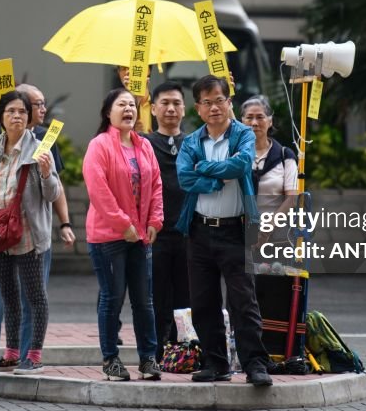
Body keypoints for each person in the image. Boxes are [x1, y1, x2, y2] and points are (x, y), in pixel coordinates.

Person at [0, 83, 75, 369]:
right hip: (1, 236)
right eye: (11, 111)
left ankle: (33, 356)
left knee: (35, 297)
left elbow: (52, 193)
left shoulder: (39, 148)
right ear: (1, 117)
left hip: (30, 235)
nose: (17, 116)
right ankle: (10, 355)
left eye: (23, 111)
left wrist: (47, 174)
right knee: (8, 296)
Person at [175, 74, 273, 387]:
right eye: (207, 102)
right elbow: (184, 179)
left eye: (220, 100)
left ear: (229, 103)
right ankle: (216, 363)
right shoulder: (191, 141)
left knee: (244, 302)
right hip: (200, 232)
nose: (214, 107)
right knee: (203, 303)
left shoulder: (242, 134)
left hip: (235, 231)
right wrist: (216, 177)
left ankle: (255, 365)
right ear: (198, 108)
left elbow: (242, 164)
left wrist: (203, 168)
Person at [83, 88, 164, 381]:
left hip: (140, 237)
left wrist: (155, 221)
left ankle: (148, 359)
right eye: (122, 104)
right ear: (108, 112)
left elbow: (155, 186)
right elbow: (99, 191)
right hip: (109, 238)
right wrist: (123, 225)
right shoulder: (99, 145)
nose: (129, 109)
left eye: (132, 105)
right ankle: (111, 359)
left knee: (144, 300)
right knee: (112, 297)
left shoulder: (144, 146)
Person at [143, 80, 189, 360]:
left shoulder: (195, 142)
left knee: (187, 298)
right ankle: (156, 353)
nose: (171, 109)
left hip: (188, 233)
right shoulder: (145, 143)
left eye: (176, 103)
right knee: (156, 297)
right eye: (165, 103)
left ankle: (185, 352)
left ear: (184, 109)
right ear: (154, 108)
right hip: (155, 234)